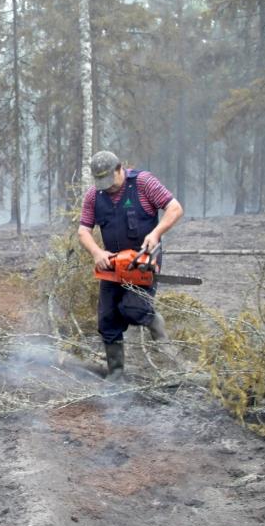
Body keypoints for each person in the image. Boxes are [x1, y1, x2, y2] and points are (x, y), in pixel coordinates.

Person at [76, 150, 184, 377]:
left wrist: (155, 234)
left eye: (109, 180)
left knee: (134, 308)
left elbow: (175, 208)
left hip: (142, 260)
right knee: (108, 319)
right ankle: (116, 375)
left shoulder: (144, 183)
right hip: (113, 264)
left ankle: (173, 363)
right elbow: (84, 230)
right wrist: (97, 252)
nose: (107, 187)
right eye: (101, 182)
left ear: (119, 169)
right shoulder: (94, 196)